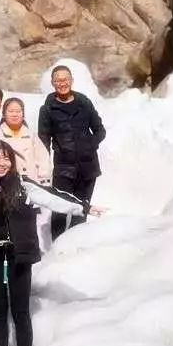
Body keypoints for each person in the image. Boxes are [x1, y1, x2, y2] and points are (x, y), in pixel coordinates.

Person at [0, 140, 105, 346]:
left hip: (20, 257)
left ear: (12, 161)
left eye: (6, 158)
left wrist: (85, 207)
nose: (1, 163)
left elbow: (54, 199)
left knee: (20, 311)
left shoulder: (24, 187)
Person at [37, 65, 106, 239]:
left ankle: (75, 249)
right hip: (64, 170)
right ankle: (56, 250)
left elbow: (100, 130)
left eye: (65, 79)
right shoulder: (47, 110)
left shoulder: (84, 103)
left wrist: (89, 145)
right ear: (53, 83)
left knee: (81, 210)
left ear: (72, 80)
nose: (62, 83)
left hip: (88, 167)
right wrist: (43, 166)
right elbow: (43, 141)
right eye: (58, 80)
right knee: (59, 211)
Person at [0, 97, 54, 252]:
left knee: (33, 223)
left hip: (30, 186)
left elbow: (43, 159)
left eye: (18, 111)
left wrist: (43, 184)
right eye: (11, 111)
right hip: (6, 186)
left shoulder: (30, 135)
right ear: (4, 113)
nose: (15, 114)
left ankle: (34, 255)